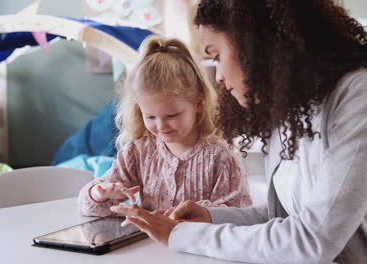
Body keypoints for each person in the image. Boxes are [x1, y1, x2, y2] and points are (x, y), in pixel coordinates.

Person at [110, 0, 367, 263]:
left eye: (217, 56)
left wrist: (184, 235)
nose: (219, 79)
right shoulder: (290, 110)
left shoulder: (366, 92)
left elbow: (313, 240)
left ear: (252, 45)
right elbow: (284, 218)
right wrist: (212, 217)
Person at [78, 35, 252, 217]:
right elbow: (91, 209)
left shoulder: (220, 156)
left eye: (172, 115)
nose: (161, 125)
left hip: (197, 245)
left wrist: (197, 215)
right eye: (150, 116)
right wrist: (99, 194)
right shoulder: (137, 153)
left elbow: (239, 215)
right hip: (148, 245)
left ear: (198, 104)